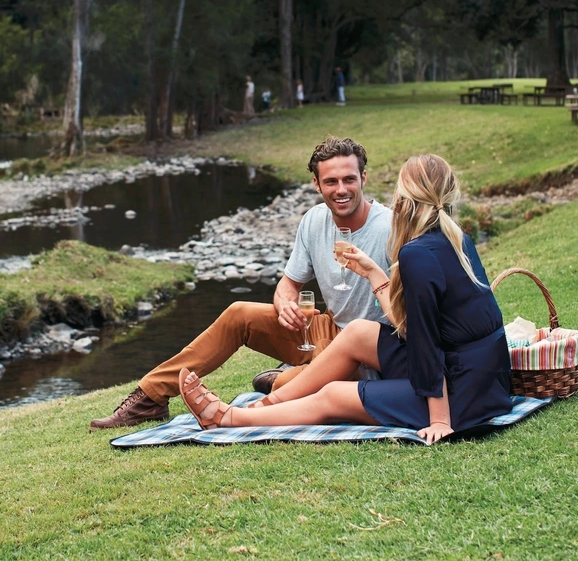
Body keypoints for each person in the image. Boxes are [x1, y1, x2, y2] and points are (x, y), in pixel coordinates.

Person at [177, 154, 512, 444]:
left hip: (460, 397)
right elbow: (417, 326)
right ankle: (264, 406)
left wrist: (439, 420)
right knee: (358, 333)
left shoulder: (417, 254)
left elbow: (426, 342)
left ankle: (225, 419)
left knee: (333, 395)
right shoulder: (454, 237)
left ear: (405, 198)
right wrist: (373, 273)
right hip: (486, 379)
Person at [90, 136, 393, 430]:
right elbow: (289, 283)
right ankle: (150, 398)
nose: (341, 189)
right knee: (239, 313)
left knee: (308, 387)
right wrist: (285, 304)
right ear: (317, 184)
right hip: (326, 330)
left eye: (349, 179)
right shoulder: (314, 220)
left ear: (363, 178)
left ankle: (278, 381)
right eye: (331, 181)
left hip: (367, 351)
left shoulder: (390, 227)